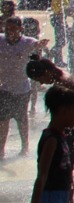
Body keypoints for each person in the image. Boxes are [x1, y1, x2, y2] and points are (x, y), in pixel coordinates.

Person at [0, 15, 44, 159]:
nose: (9, 32)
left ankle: (25, 148)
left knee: (22, 119)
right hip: (3, 87)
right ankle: (1, 150)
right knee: (3, 120)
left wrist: (41, 47)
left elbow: (39, 47)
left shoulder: (27, 42)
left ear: (21, 29)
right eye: (6, 29)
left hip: (22, 88)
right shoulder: (0, 40)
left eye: (12, 29)